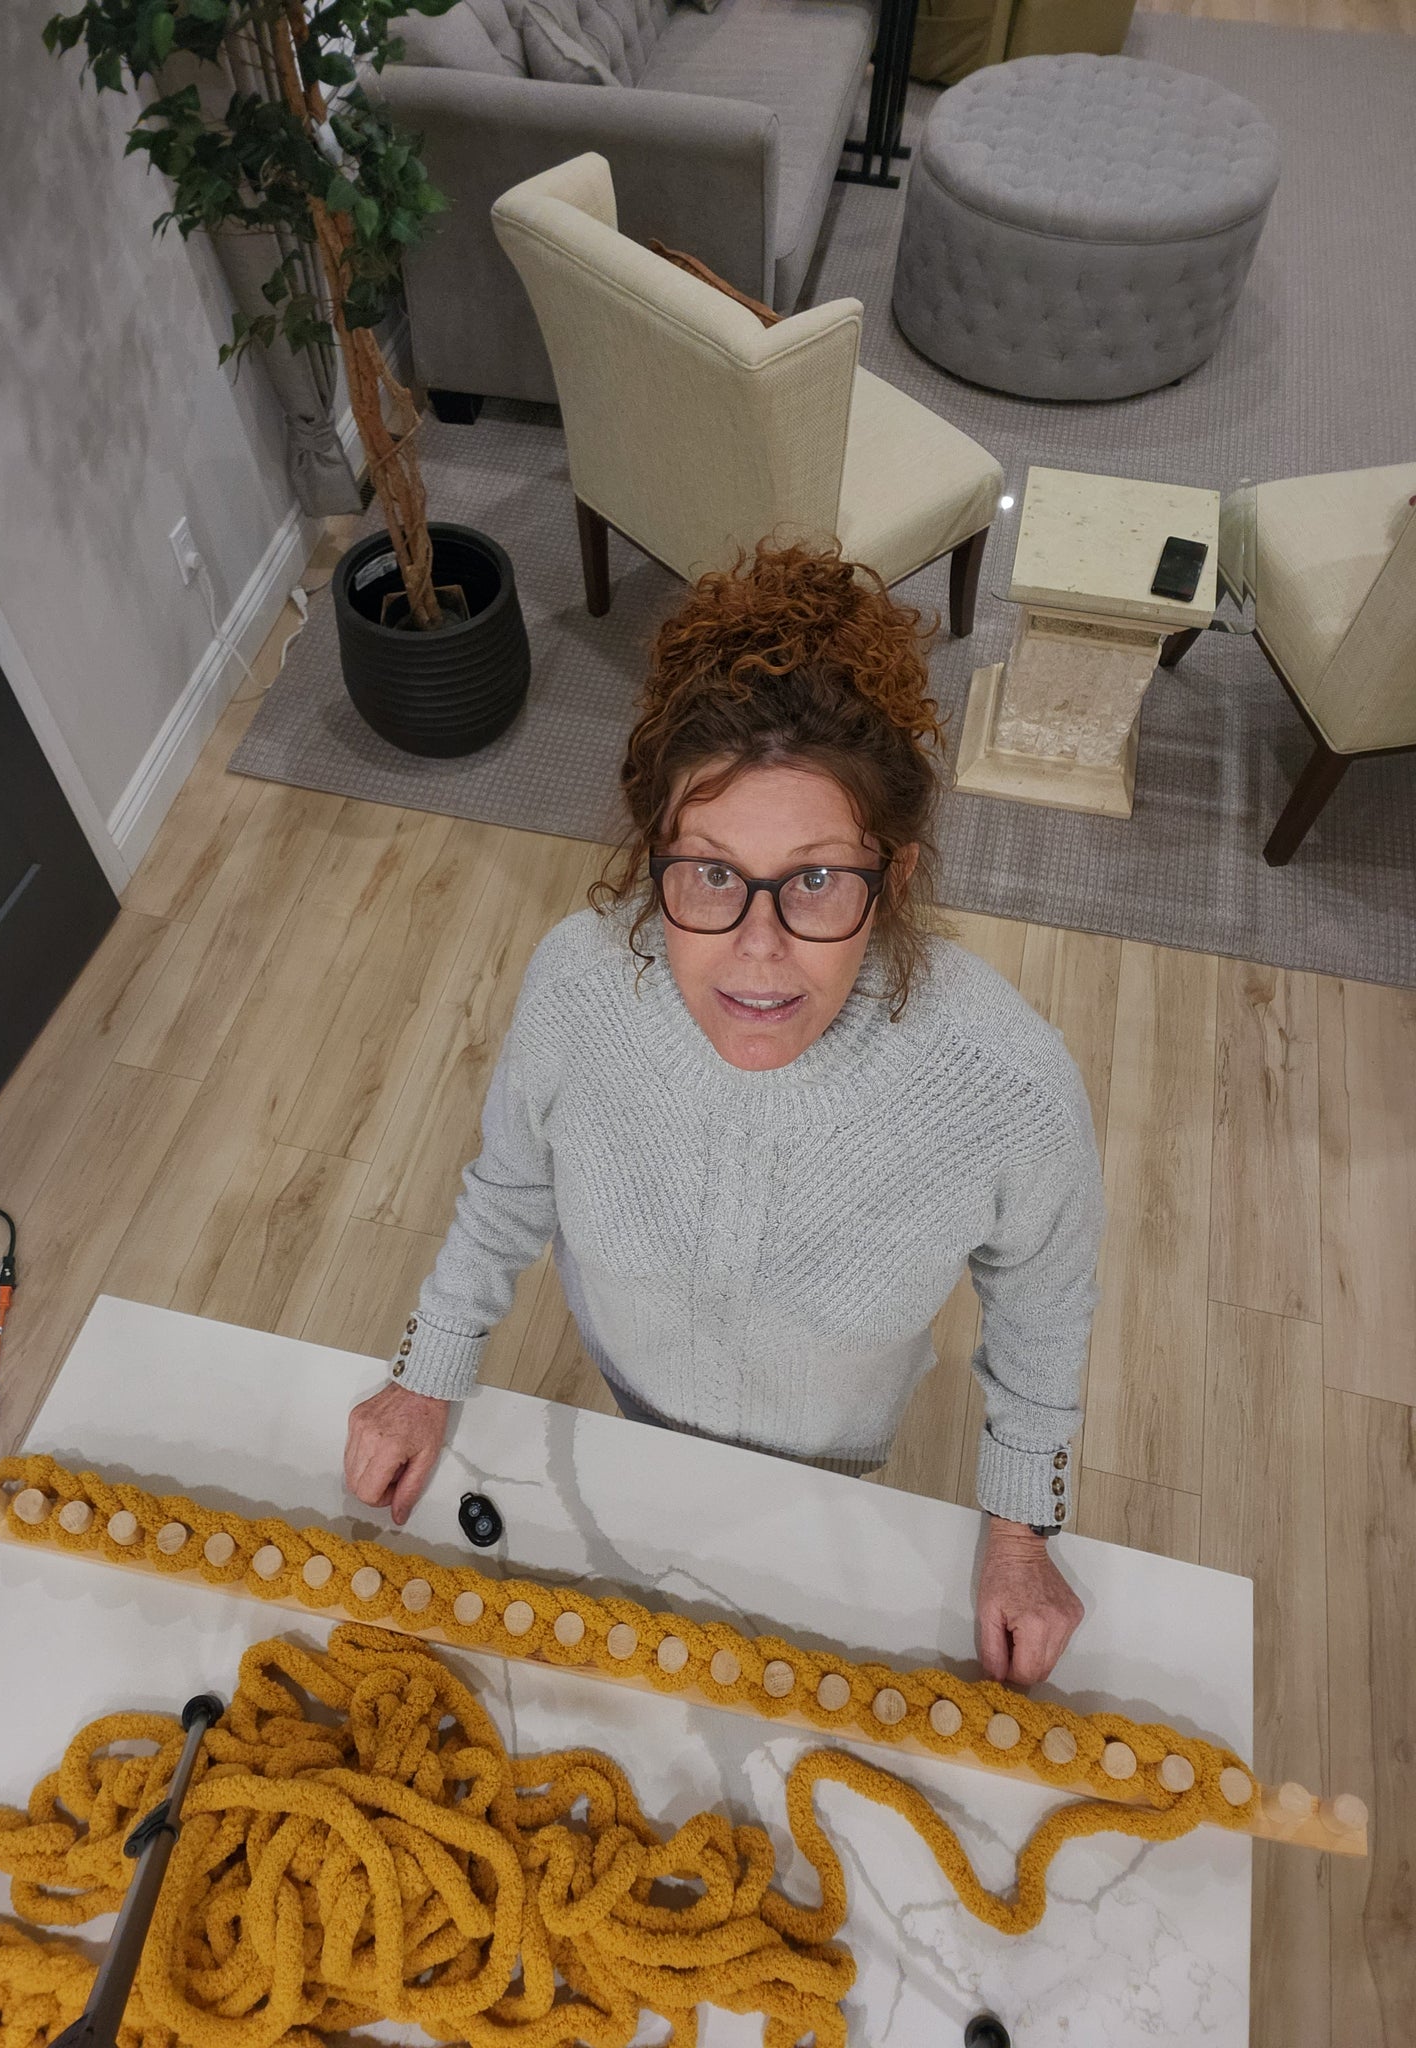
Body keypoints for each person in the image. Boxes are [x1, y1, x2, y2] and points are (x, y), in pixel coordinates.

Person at [344, 544, 1103, 1686]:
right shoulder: (576, 986)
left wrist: (1017, 1530)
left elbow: (1042, 1311)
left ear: (890, 880)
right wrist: (424, 1373)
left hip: (834, 1468)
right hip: (622, 1419)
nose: (757, 950)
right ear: (656, 854)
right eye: (708, 874)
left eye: (813, 881)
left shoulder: (1007, 1084)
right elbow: (510, 1188)